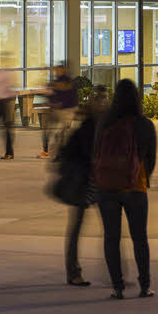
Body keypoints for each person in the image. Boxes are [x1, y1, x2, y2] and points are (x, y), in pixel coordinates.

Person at [92, 79, 157, 299]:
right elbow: (151, 159)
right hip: (135, 186)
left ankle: (117, 288)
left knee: (111, 237)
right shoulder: (145, 124)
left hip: (107, 186)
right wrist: (143, 177)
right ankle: (144, 286)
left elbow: (95, 154)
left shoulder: (105, 122)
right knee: (140, 238)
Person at [54, 84, 108, 286]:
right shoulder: (86, 128)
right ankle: (73, 271)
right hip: (83, 184)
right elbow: (74, 153)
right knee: (79, 227)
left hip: (99, 183)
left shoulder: (105, 125)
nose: (102, 102)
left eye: (104, 98)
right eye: (98, 98)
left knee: (109, 229)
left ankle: (114, 271)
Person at [40, 62, 78, 159]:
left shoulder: (68, 81)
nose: (57, 72)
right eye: (56, 70)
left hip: (68, 110)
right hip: (58, 110)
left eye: (58, 70)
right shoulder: (56, 81)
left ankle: (61, 153)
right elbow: (51, 93)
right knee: (46, 129)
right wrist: (50, 104)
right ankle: (46, 150)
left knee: (61, 133)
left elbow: (66, 92)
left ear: (63, 70)